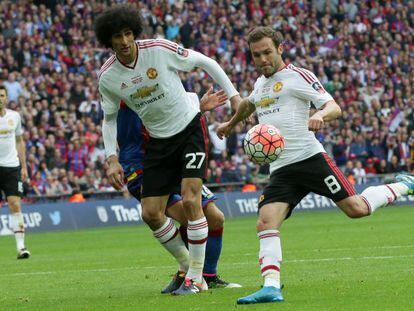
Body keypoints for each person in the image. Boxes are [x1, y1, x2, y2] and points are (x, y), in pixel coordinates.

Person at [216, 26, 414, 305]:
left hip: (310, 160)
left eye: (267, 53)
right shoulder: (261, 83)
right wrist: (230, 123)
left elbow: (334, 106)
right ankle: (271, 286)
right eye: (256, 55)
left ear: (280, 49)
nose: (262, 59)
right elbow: (249, 104)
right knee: (265, 221)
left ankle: (403, 185)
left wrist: (321, 115)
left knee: (356, 209)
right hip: (281, 169)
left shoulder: (299, 76)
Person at [94, 5, 241, 295]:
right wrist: (112, 158)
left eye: (127, 34)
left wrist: (235, 97)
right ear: (108, 42)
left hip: (189, 129)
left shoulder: (159, 49)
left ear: (135, 33)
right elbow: (108, 119)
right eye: (117, 37)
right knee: (150, 213)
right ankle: (189, 268)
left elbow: (206, 62)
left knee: (191, 201)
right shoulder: (109, 77)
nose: (124, 42)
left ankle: (196, 279)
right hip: (158, 143)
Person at [117, 88, 241, 291]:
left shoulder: (169, 85)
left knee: (216, 218)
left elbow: (178, 121)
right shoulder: (131, 91)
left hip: (174, 160)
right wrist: (111, 158)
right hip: (144, 165)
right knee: (188, 217)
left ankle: (208, 276)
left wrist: (199, 108)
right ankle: (189, 273)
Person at [0, 85, 30, 259]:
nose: (0, 98)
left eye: (2, 95)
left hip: (12, 167)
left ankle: (21, 247)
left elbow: (20, 141)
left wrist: (24, 166)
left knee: (15, 205)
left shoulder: (15, 116)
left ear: (6, 97)